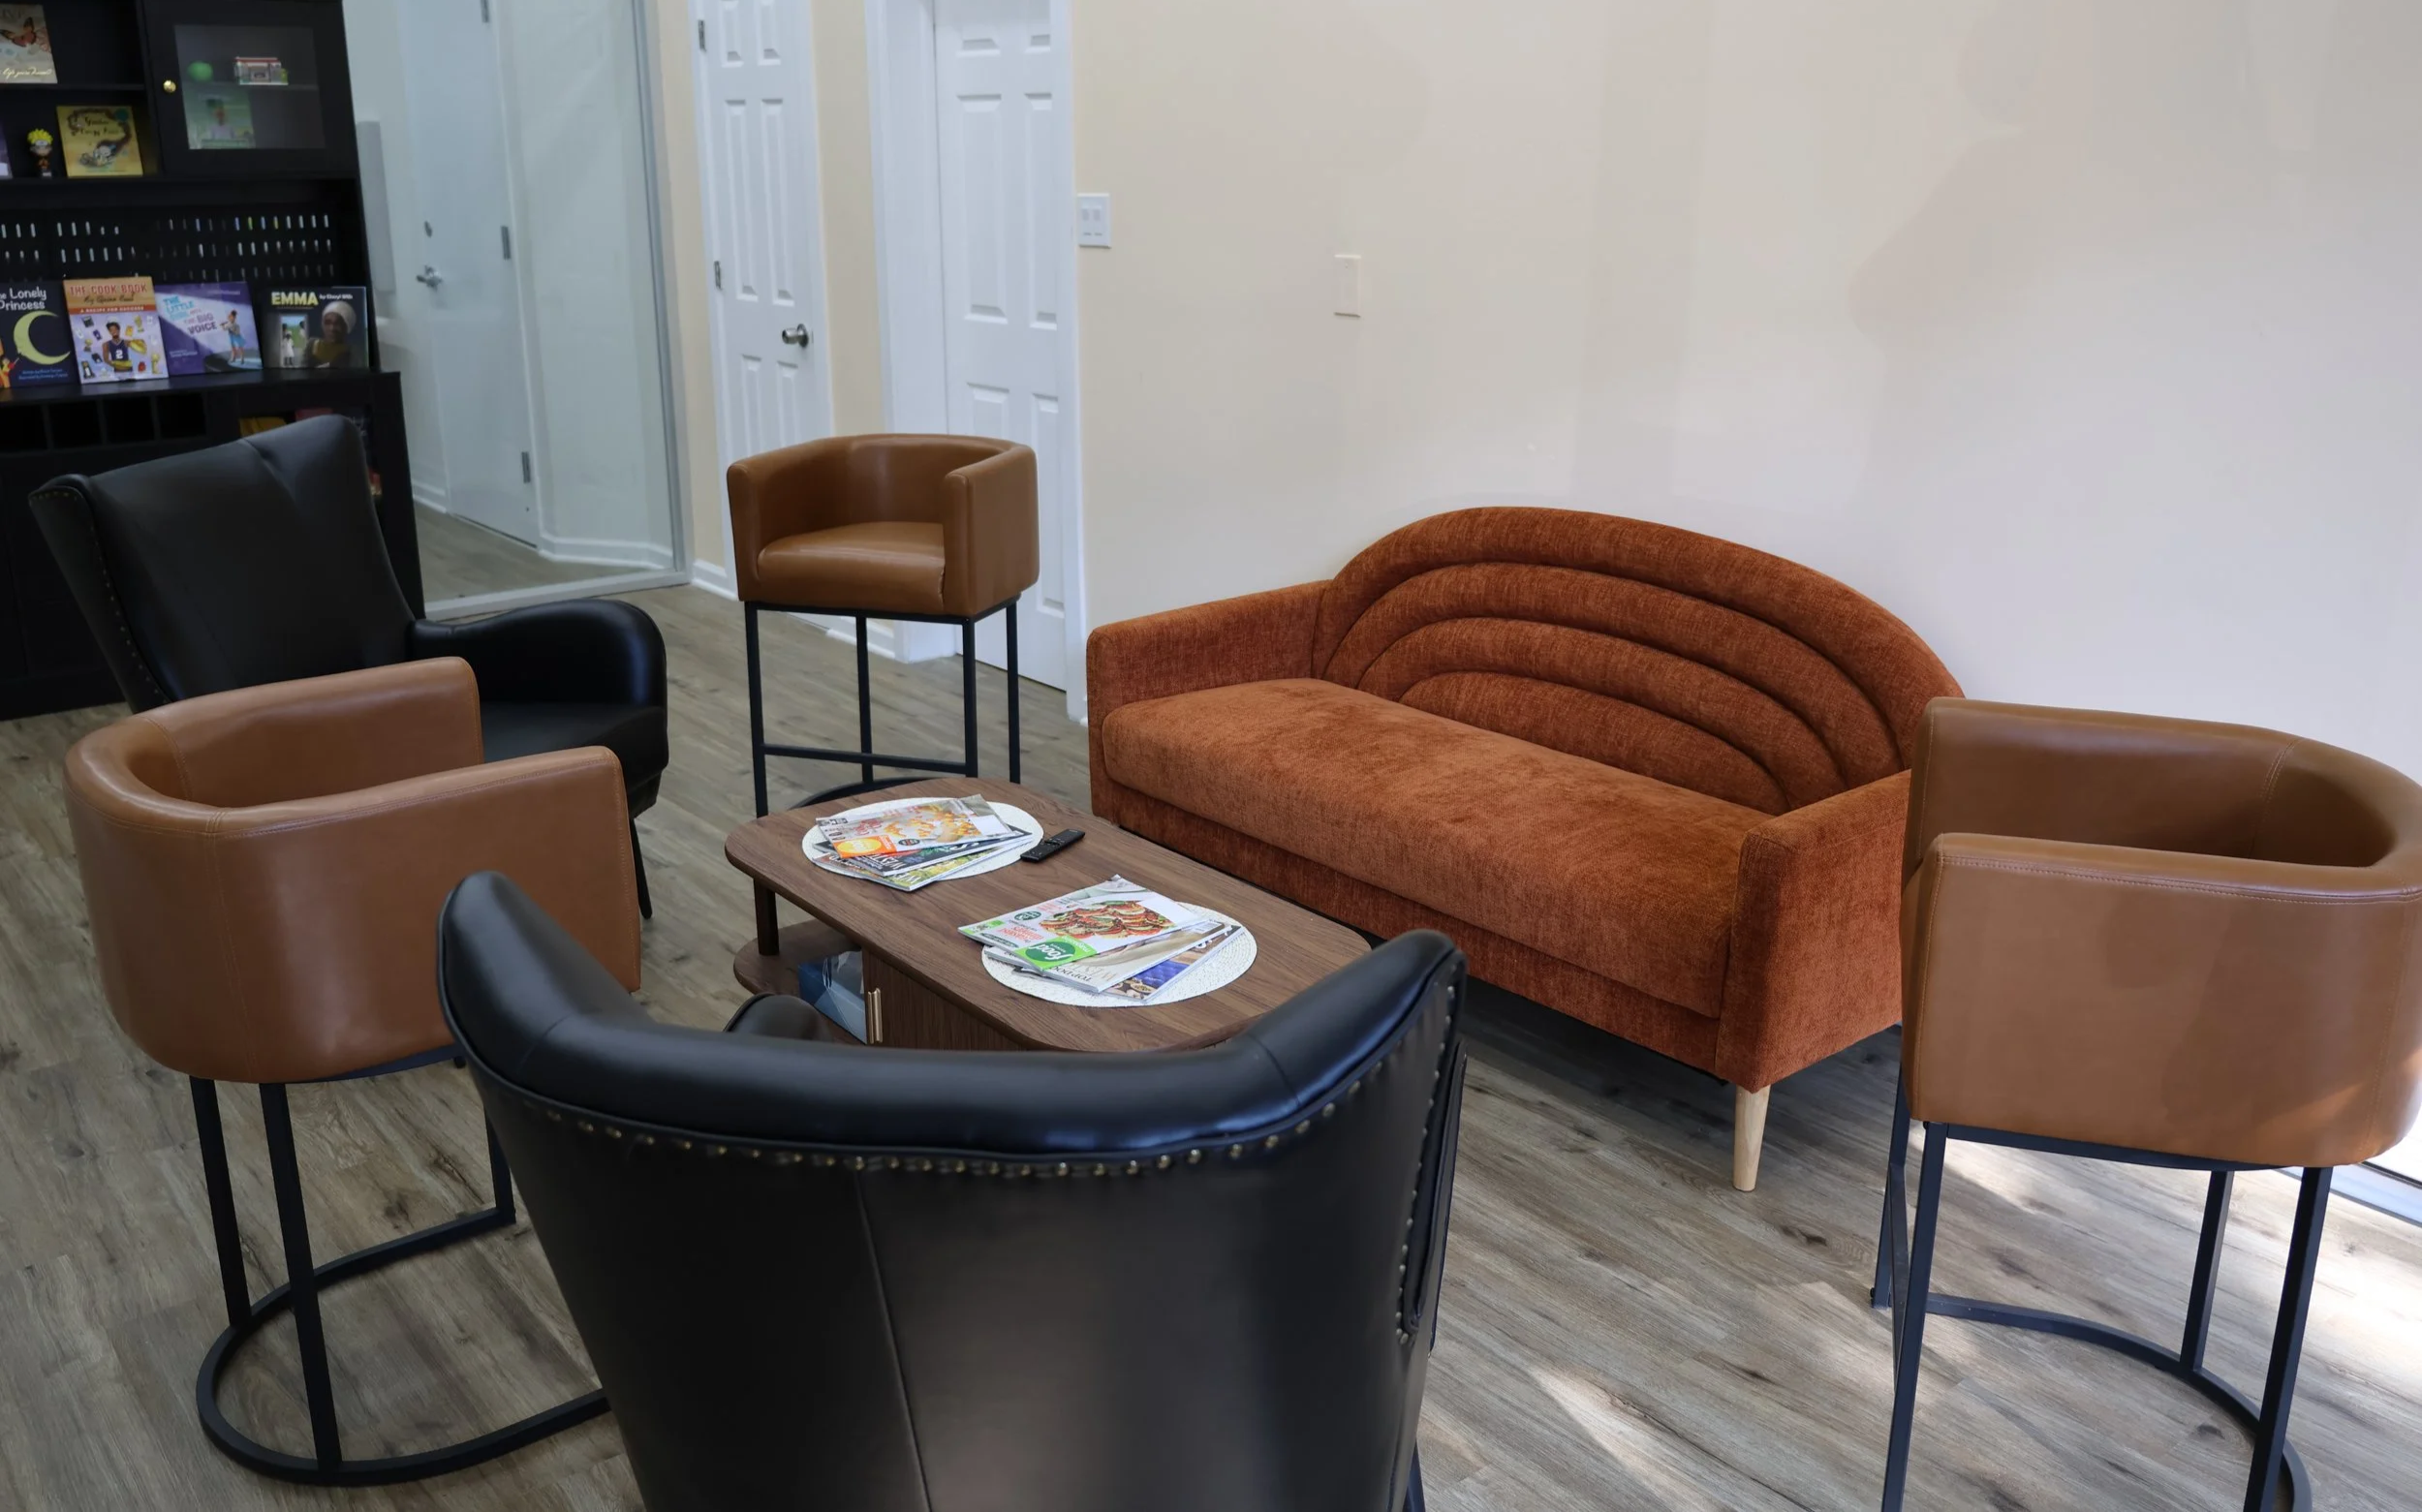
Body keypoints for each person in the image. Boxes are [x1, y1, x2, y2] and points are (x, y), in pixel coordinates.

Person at [307, 300, 357, 368]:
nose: (332, 328)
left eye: (338, 323)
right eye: (327, 322)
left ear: (347, 327)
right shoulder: (312, 345)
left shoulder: (351, 355)